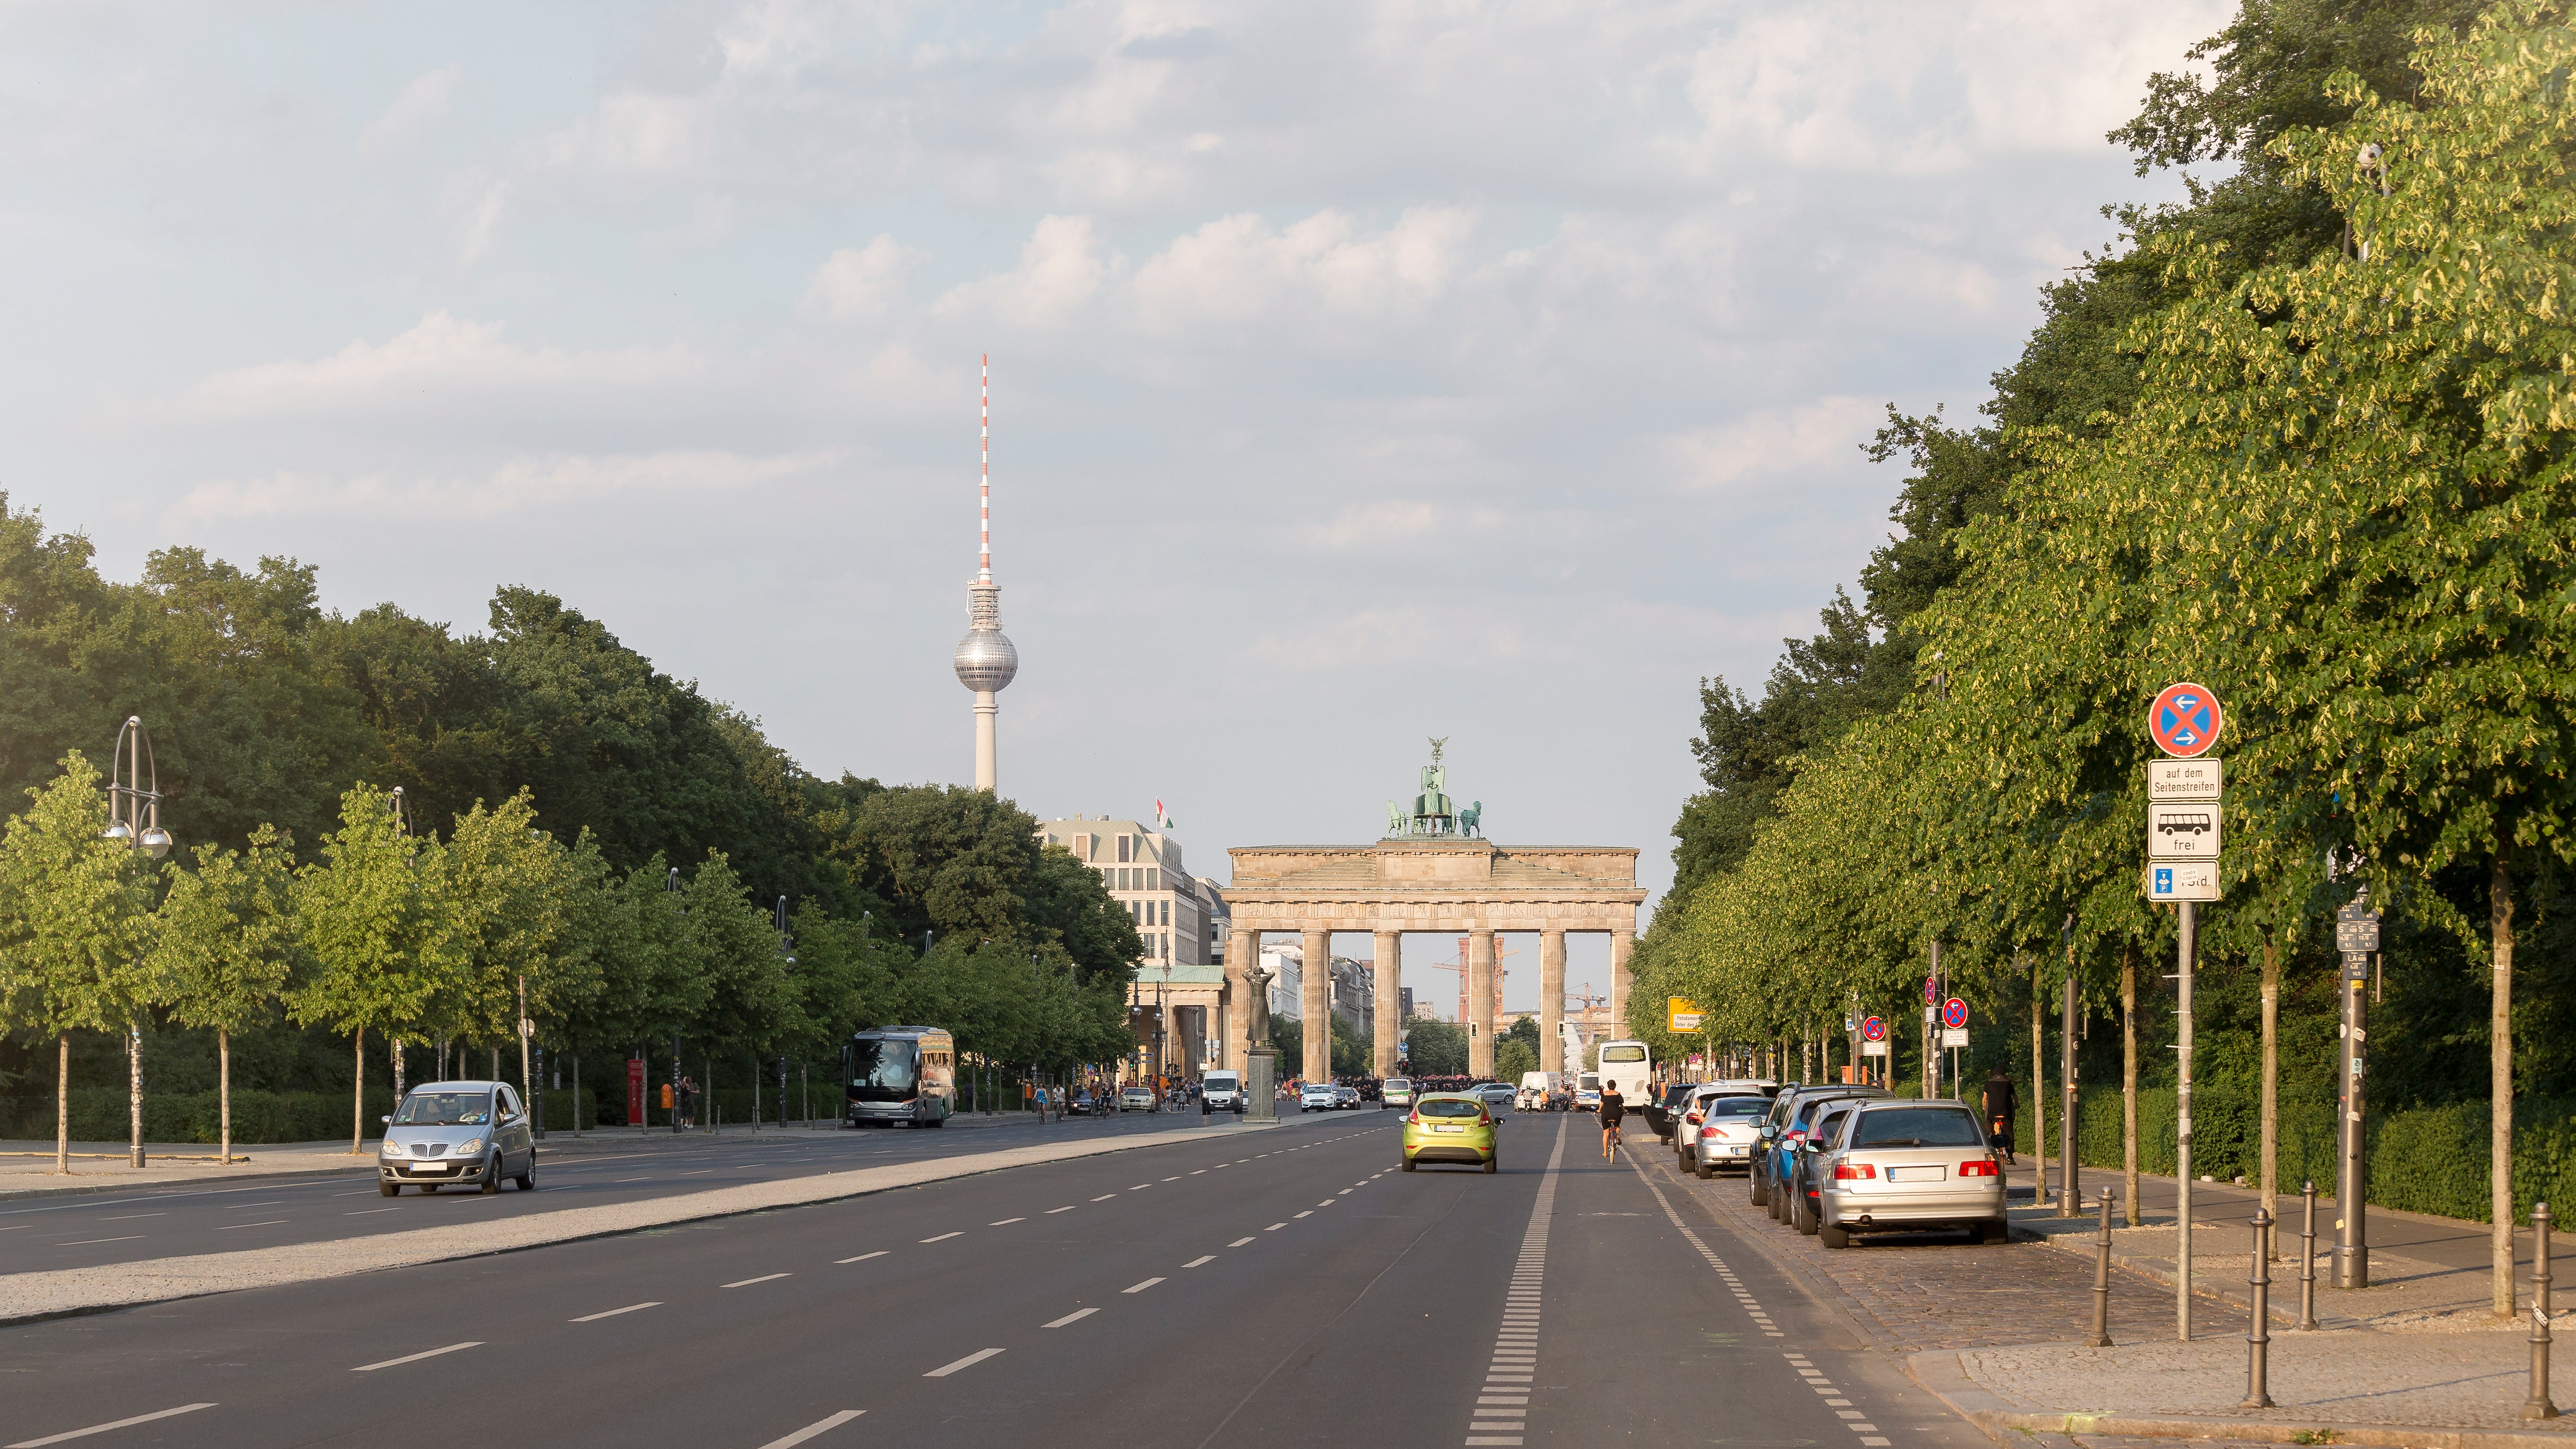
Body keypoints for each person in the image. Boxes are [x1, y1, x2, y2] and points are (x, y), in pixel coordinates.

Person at [1981, 1068, 2018, 1165]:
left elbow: (1985, 1099)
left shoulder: (1988, 1084)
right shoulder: (2008, 1084)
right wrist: (2017, 1105)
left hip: (1992, 1113)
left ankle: (1991, 1137)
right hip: (2006, 1113)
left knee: (1988, 1123)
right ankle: (2010, 1156)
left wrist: (1984, 1107)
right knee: (2009, 1132)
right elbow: (2015, 1097)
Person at [1598, 1079, 1625, 1160]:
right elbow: (1621, 1106)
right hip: (1616, 1115)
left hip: (1606, 1115)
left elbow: (1602, 1105)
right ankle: (1617, 1136)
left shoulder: (1604, 1094)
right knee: (1618, 1125)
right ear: (1615, 1086)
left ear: (1608, 1086)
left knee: (1606, 1134)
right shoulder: (1618, 1095)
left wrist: (1599, 1110)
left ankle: (1605, 1152)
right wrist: (1625, 1111)